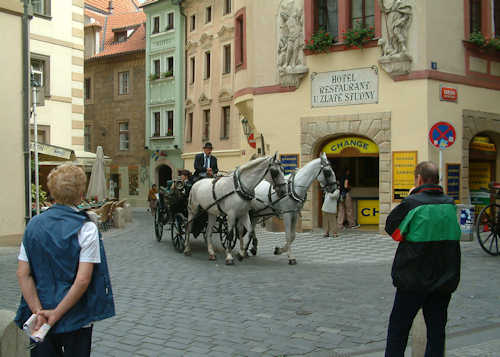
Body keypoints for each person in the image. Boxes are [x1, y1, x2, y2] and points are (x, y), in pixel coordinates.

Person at [15, 164, 115, 357]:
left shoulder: (33, 225)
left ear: (51, 191)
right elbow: (83, 280)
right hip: (76, 315)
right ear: (80, 193)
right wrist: (57, 314)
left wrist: (39, 312)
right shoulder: (86, 228)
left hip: (40, 314)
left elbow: (23, 273)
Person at [384, 161, 461, 357]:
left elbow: (393, 230)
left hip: (412, 280)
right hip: (444, 279)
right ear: (437, 180)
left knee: (398, 330)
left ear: (418, 179)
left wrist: (410, 197)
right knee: (437, 331)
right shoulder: (450, 204)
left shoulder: (412, 203)